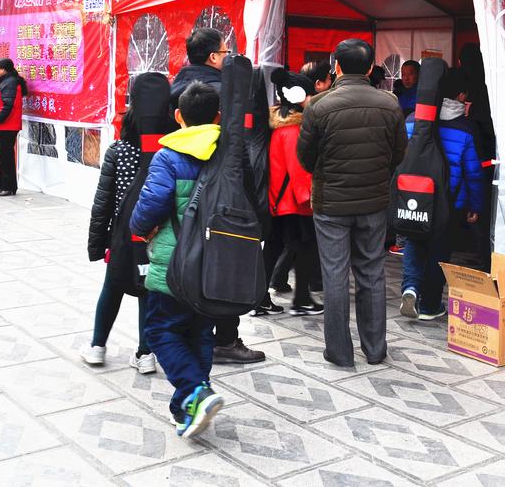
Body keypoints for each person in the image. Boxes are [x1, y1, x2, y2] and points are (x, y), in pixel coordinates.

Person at [297, 39, 407, 367]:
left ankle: (340, 352)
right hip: (373, 201)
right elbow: (398, 152)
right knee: (371, 272)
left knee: (334, 274)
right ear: (371, 68)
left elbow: (305, 158)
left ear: (337, 67)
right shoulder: (389, 104)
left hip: (331, 203)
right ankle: (375, 349)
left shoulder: (318, 106)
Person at [130, 81, 225, 438]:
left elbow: (150, 207)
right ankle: (187, 406)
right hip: (216, 261)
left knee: (160, 330)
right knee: (200, 330)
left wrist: (139, 228)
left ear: (178, 116)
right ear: (217, 116)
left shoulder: (168, 156)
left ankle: (196, 392)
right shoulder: (228, 153)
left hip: (175, 261)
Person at [170, 28, 265, 365]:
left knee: (185, 262)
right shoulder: (225, 93)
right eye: (225, 52)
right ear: (213, 57)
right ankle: (225, 339)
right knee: (225, 263)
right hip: (222, 192)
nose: (227, 57)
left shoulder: (175, 88)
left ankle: (187, 336)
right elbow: (238, 153)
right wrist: (254, 202)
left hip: (179, 189)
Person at [400, 68, 485, 321]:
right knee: (439, 250)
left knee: (414, 241)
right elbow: (472, 173)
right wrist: (475, 205)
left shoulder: (412, 120)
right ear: (461, 95)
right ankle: (430, 305)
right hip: (450, 201)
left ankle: (410, 288)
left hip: (416, 195)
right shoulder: (466, 129)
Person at [83, 108, 155, 373]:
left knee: (112, 287)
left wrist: (98, 242)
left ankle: (97, 347)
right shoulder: (161, 153)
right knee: (147, 289)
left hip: (121, 235)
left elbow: (103, 201)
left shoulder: (117, 151)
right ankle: (145, 354)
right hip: (153, 235)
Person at [268, 70, 322, 315]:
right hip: (293, 202)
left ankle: (262, 299)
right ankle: (301, 300)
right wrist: (308, 197)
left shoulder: (281, 125)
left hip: (282, 199)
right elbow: (298, 169)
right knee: (304, 247)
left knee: (278, 248)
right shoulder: (293, 130)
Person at [0, 58, 27, 197]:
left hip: (8, 125)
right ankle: (3, 186)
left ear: (3, 70)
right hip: (5, 125)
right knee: (4, 156)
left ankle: (9, 187)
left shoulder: (10, 82)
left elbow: (8, 104)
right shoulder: (7, 81)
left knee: (7, 157)